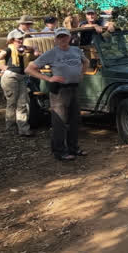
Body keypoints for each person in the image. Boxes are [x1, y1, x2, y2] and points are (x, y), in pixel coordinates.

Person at [26, 28, 89, 161]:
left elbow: (86, 62)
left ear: (69, 37)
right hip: (59, 91)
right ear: (55, 39)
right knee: (59, 121)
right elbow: (29, 69)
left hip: (74, 88)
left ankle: (73, 148)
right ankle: (59, 151)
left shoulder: (76, 50)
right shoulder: (51, 53)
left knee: (74, 120)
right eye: (59, 37)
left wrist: (81, 74)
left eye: (64, 36)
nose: (62, 39)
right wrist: (48, 79)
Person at [0, 29, 34, 137]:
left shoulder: (22, 49)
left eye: (22, 39)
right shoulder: (8, 50)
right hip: (10, 77)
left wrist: (33, 48)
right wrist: (5, 67)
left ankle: (23, 129)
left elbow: (32, 48)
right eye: (18, 39)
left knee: (23, 102)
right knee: (12, 102)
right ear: (12, 40)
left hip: (22, 77)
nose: (21, 41)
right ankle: (11, 128)